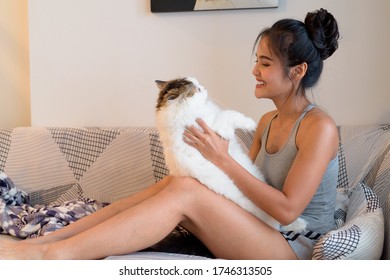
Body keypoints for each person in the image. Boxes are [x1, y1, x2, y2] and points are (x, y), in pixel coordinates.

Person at [0, 8, 340, 260]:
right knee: (178, 184)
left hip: (294, 248)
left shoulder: (319, 127)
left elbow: (286, 210)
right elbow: (243, 190)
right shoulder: (267, 121)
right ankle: (53, 241)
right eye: (257, 60)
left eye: (265, 63)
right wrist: (210, 162)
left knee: (186, 194)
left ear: (297, 71)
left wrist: (221, 158)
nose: (255, 70)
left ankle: (58, 257)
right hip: (264, 230)